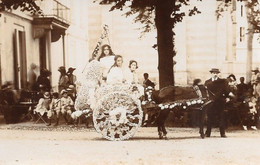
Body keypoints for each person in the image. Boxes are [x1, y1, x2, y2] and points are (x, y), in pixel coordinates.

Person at [204, 68, 231, 138]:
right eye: (214, 73)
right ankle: (208, 133)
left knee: (221, 117)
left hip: (220, 102)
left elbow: (226, 90)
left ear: (218, 74)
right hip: (210, 102)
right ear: (211, 73)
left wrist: (227, 97)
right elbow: (205, 92)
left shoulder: (222, 82)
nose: (215, 74)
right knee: (209, 117)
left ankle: (222, 133)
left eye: (216, 73)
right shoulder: (207, 82)